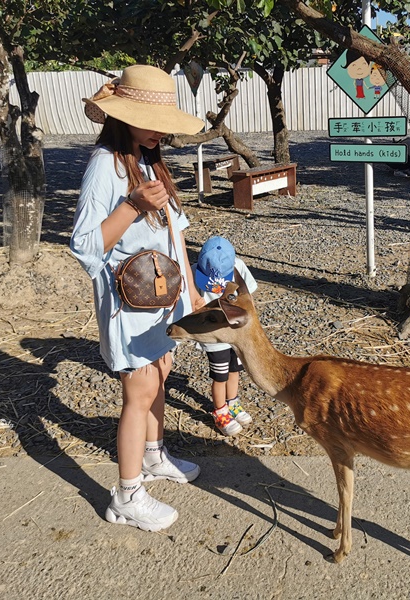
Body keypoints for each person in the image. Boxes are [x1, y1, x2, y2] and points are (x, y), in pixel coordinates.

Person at [70, 65, 205, 532]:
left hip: (159, 296)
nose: (159, 129)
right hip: (129, 303)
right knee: (139, 391)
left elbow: (176, 232)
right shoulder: (104, 166)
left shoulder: (148, 158)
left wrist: (190, 293)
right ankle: (126, 494)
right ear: (121, 115)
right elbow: (85, 244)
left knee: (161, 375)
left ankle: (153, 456)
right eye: (150, 119)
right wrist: (132, 206)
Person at [191, 236, 258, 436]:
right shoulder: (194, 272)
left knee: (235, 368)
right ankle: (220, 410)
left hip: (235, 332)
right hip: (213, 335)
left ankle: (233, 402)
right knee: (219, 374)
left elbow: (249, 296)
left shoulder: (238, 267)